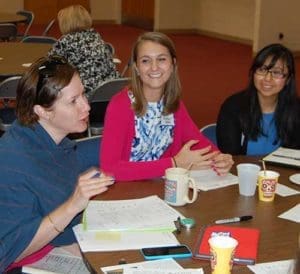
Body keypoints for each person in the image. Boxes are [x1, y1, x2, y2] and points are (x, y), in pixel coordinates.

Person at [0, 56, 114, 272]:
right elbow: (9, 252)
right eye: (73, 101)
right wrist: (72, 206)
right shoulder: (13, 162)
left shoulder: (52, 142)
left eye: (83, 94)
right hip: (24, 262)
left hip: (55, 243)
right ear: (42, 111)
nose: (86, 106)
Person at [100, 32, 233, 181]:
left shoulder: (173, 104)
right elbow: (110, 170)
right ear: (136, 67)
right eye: (145, 61)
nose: (154, 67)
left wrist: (220, 158)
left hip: (161, 186)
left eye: (161, 59)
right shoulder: (121, 105)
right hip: (127, 191)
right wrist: (174, 163)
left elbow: (197, 143)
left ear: (173, 64)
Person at [216, 43, 300, 155]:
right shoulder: (233, 108)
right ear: (253, 73)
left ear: (288, 79)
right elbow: (230, 157)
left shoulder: (296, 110)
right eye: (262, 69)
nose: (267, 78)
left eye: (277, 72)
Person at [48, 5, 120, 99]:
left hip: (86, 96)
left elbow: (49, 66)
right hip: (110, 92)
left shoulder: (65, 41)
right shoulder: (96, 37)